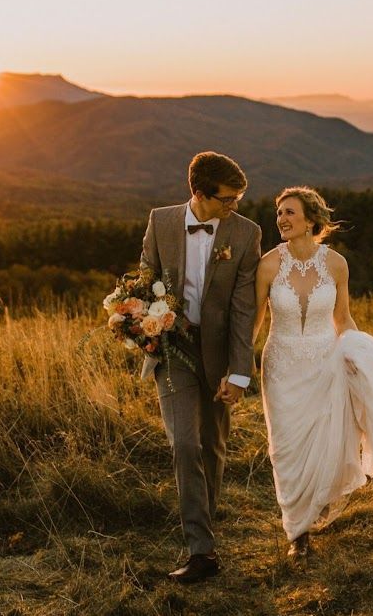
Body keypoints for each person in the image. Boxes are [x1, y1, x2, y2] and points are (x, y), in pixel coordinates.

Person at [254, 186, 373, 558]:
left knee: (320, 442)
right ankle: (297, 532)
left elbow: (342, 317)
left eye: (290, 212)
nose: (282, 220)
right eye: (279, 213)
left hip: (324, 361)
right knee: (285, 447)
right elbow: (255, 321)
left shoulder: (336, 264)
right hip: (280, 366)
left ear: (310, 220)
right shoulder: (269, 264)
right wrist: (236, 363)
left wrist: (355, 353)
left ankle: (312, 507)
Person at [138, 152, 262, 584]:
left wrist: (240, 372)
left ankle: (203, 527)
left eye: (238, 198)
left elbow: (244, 309)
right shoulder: (161, 220)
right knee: (185, 445)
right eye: (227, 199)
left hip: (220, 355)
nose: (234, 206)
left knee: (212, 448)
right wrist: (143, 320)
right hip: (172, 351)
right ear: (199, 192)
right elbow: (144, 280)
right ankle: (202, 551)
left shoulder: (247, 234)